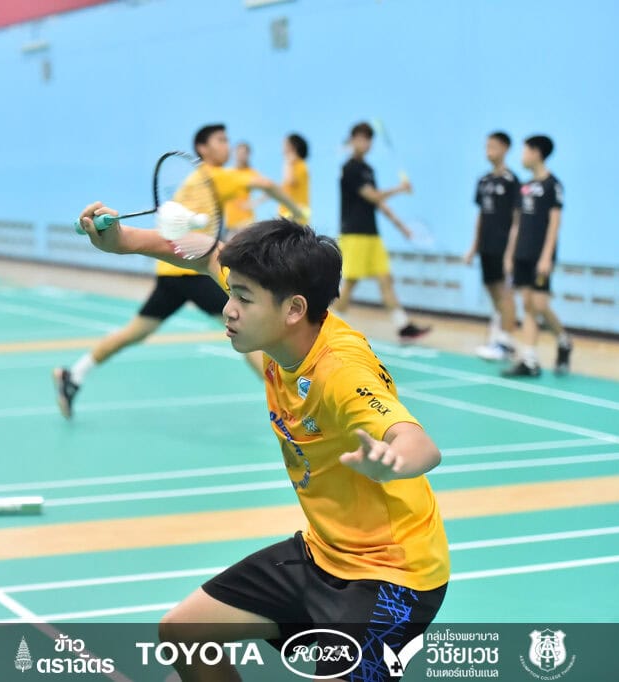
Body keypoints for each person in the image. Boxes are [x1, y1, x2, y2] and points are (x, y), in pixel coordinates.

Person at [76, 204, 449, 682]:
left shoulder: (340, 373)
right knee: (184, 632)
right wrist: (124, 240)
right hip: (323, 553)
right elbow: (204, 253)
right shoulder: (276, 313)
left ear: (294, 309)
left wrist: (391, 461)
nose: (228, 308)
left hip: (391, 577)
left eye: (244, 299)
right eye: (232, 291)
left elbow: (420, 444)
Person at [53, 124, 305, 419]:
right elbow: (267, 185)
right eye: (220, 140)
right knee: (248, 328)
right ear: (203, 148)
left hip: (173, 269)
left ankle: (74, 375)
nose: (226, 145)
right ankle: (290, 401)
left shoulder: (194, 180)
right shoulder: (216, 176)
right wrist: (298, 212)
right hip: (193, 270)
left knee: (134, 332)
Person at [335, 122, 430, 341]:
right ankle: (330, 326)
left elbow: (378, 203)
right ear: (352, 140)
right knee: (350, 282)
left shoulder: (369, 170)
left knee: (385, 278)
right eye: (360, 138)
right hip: (354, 234)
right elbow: (373, 196)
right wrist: (400, 188)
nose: (365, 143)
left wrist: (401, 226)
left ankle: (403, 326)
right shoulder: (349, 169)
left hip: (372, 234)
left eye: (368, 139)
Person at [503, 135, 571, 377]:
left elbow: (554, 224)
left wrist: (546, 256)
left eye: (525, 151)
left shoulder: (554, 185)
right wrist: (509, 254)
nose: (522, 156)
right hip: (521, 253)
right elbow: (516, 224)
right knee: (528, 305)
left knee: (539, 305)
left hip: (540, 255)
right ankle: (529, 359)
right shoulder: (524, 187)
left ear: (537, 153)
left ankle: (563, 340)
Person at [464, 132, 522, 361]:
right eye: (487, 146)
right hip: (486, 246)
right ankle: (501, 339)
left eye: (494, 147)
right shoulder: (483, 181)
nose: (489, 151)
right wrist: (473, 247)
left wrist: (510, 253)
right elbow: (481, 215)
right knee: (493, 292)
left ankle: (506, 342)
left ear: (505, 149)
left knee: (505, 294)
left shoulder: (511, 180)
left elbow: (517, 220)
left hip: (503, 246)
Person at [224, 142, 260, 232]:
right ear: (234, 153)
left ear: (248, 155)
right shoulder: (227, 173)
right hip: (229, 222)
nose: (240, 156)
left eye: (244, 153)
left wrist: (253, 203)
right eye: (239, 152)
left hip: (246, 222)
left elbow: (268, 191)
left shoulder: (251, 173)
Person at [279, 133, 311, 221]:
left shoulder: (300, 164)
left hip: (295, 212)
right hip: (288, 213)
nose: (282, 148)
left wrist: (287, 163)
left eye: (285, 144)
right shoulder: (295, 165)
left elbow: (290, 181)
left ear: (292, 146)